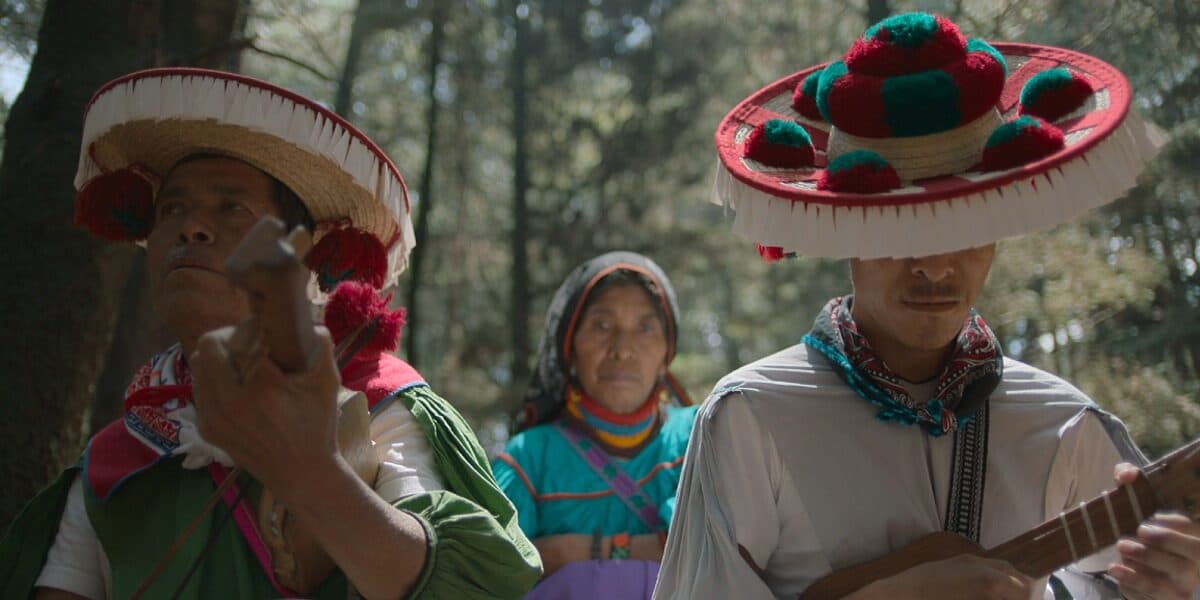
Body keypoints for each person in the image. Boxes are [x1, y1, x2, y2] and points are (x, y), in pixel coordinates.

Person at [656, 12, 1199, 600]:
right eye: (901, 229)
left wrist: (1174, 585)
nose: (936, 266)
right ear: (846, 230)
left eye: (965, 226)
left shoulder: (1065, 421)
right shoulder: (751, 415)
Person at [0, 67, 540, 599]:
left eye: (232, 207)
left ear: (301, 254)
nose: (192, 226)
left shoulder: (378, 403)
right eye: (172, 208)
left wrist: (313, 473)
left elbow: (461, 585)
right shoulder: (117, 456)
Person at [492, 251, 697, 598]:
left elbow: (719, 549)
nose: (622, 349)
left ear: (667, 354)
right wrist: (650, 547)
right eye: (602, 325)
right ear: (569, 347)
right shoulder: (528, 461)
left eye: (645, 328)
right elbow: (489, 573)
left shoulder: (700, 440)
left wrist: (566, 552)